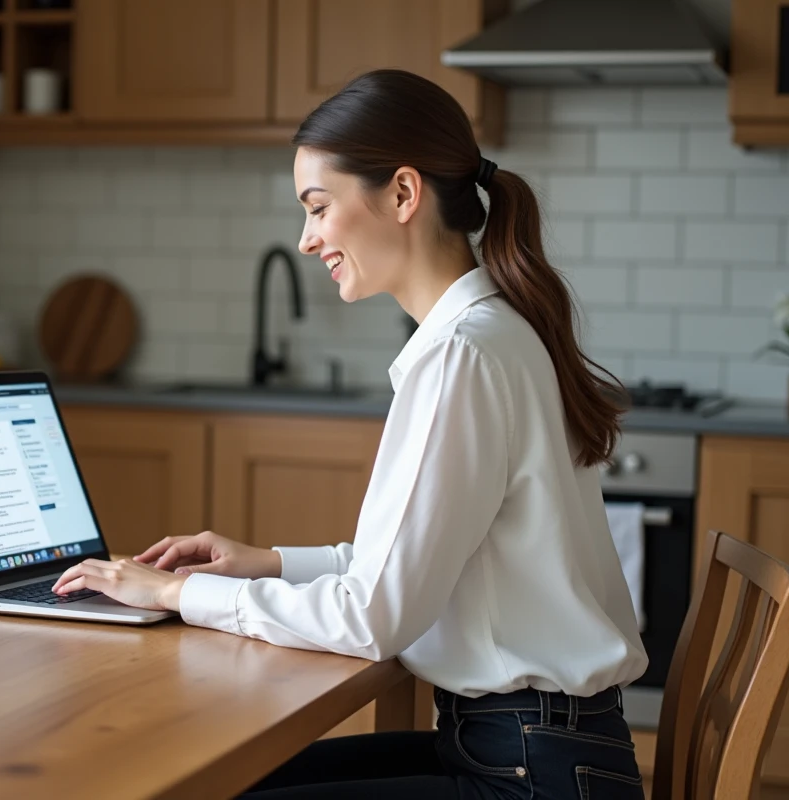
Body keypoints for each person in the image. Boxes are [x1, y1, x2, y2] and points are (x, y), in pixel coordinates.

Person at [53, 68, 648, 799]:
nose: (307, 240)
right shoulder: (489, 331)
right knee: (225, 780)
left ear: (403, 194)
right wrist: (267, 563)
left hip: (529, 777)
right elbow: (404, 568)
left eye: (318, 207)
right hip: (535, 751)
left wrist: (178, 595)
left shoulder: (461, 354)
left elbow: (372, 618)